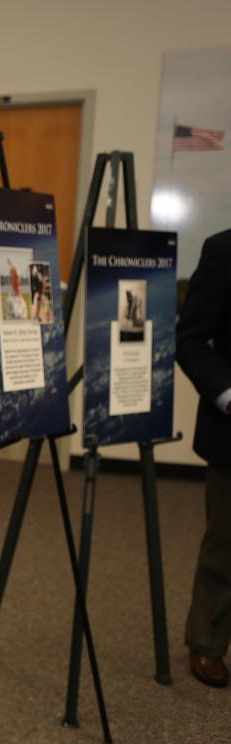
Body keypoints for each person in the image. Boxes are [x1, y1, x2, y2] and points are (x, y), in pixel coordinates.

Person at [175, 228, 231, 688]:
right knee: (226, 546)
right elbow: (190, 338)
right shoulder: (223, 249)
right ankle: (207, 642)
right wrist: (228, 396)